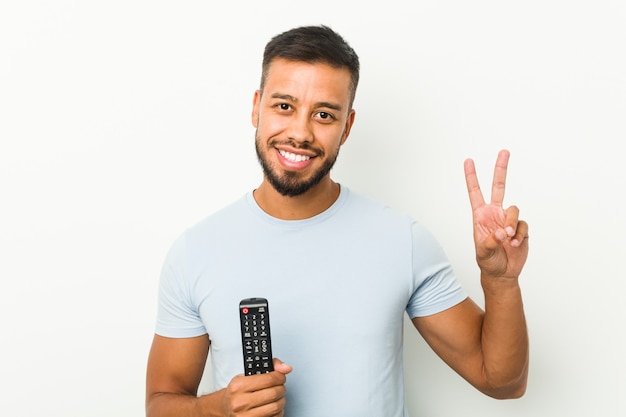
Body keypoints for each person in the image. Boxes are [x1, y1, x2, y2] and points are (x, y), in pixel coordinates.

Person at [145, 25, 529, 417]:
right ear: (256, 107)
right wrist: (218, 409)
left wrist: (500, 282)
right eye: (284, 106)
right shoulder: (196, 251)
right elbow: (160, 403)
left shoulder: (401, 239)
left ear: (346, 127)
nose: (300, 132)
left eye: (324, 114)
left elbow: (504, 383)